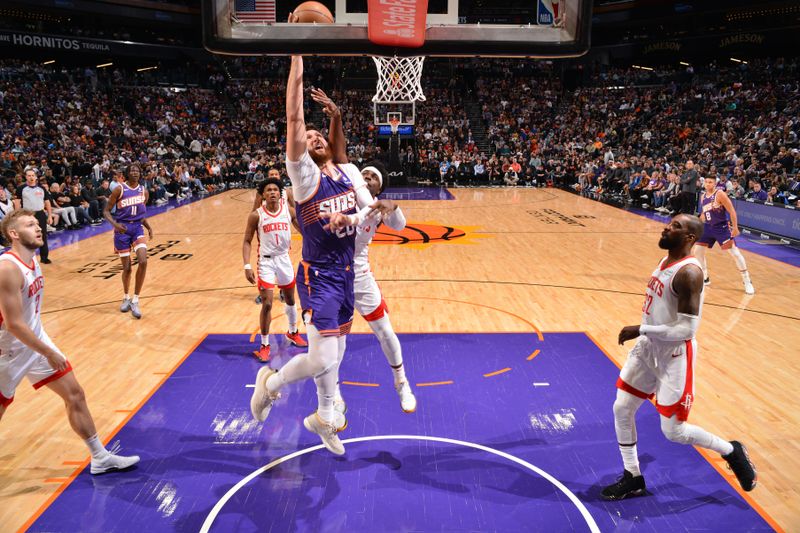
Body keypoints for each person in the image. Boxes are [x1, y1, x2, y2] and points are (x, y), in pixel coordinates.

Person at [249, 50, 392, 456]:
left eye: (319, 136)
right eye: (308, 138)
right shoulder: (304, 174)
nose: (314, 139)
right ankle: (271, 384)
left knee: (335, 354)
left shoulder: (343, 172)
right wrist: (297, 55)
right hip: (320, 276)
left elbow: (340, 147)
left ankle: (326, 416)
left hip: (345, 274)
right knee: (320, 357)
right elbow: (294, 119)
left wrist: (336, 117)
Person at [601, 214, 757, 500]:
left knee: (674, 432)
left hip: (674, 354)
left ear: (689, 238)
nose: (666, 227)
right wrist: (645, 334)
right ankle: (632, 476)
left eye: (675, 227)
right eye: (669, 223)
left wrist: (641, 328)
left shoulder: (689, 273)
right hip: (649, 348)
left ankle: (731, 450)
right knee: (622, 408)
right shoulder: (665, 261)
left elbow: (687, 328)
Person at [0, 210, 140, 474]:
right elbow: (14, 324)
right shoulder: (7, 267)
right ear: (14, 234)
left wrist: (44, 348)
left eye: (37, 223)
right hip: (8, 351)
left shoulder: (32, 259)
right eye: (30, 225)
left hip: (34, 341)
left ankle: (100, 457)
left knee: (75, 394)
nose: (38, 227)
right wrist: (48, 352)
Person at [334, 162, 416, 414]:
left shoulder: (379, 208)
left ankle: (401, 382)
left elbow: (400, 226)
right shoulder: (341, 197)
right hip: (333, 275)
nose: (367, 178)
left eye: (373, 177)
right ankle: (333, 391)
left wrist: (394, 204)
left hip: (360, 276)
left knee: (385, 331)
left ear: (379, 187)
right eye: (364, 174)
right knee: (336, 339)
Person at [242, 177, 308, 362]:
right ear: (263, 195)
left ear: (280, 194)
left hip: (284, 259)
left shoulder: (289, 211)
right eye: (268, 190)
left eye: (275, 189)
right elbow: (247, 241)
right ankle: (264, 344)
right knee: (268, 303)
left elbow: (304, 230)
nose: (272, 192)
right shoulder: (256, 215)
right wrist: (247, 266)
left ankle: (293, 332)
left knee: (290, 299)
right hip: (266, 262)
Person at [103, 164, 153, 319]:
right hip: (122, 231)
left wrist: (149, 227)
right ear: (126, 174)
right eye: (132, 170)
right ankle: (126, 297)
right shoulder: (119, 189)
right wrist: (115, 224)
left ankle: (136, 300)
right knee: (127, 268)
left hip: (137, 228)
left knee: (143, 261)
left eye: (137, 170)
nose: (135, 172)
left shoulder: (144, 191)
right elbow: (105, 211)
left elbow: (140, 214)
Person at [693, 177, 755, 294]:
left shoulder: (720, 194)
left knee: (735, 253)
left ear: (715, 184)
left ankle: (747, 280)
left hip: (721, 228)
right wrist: (696, 224)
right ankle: (705, 277)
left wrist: (735, 227)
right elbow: (704, 214)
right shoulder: (703, 196)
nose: (707, 184)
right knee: (697, 251)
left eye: (710, 182)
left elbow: (732, 211)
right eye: (706, 182)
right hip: (707, 227)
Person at [13, 169, 53, 264]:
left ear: (35, 177)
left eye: (33, 175)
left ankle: (44, 257)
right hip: (27, 214)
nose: (31, 177)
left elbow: (47, 202)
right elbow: (17, 203)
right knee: (28, 236)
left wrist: (50, 216)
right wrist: (17, 216)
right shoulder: (21, 189)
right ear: (26, 177)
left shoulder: (42, 189)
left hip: (40, 214)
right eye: (29, 175)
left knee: (42, 236)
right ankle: (27, 258)